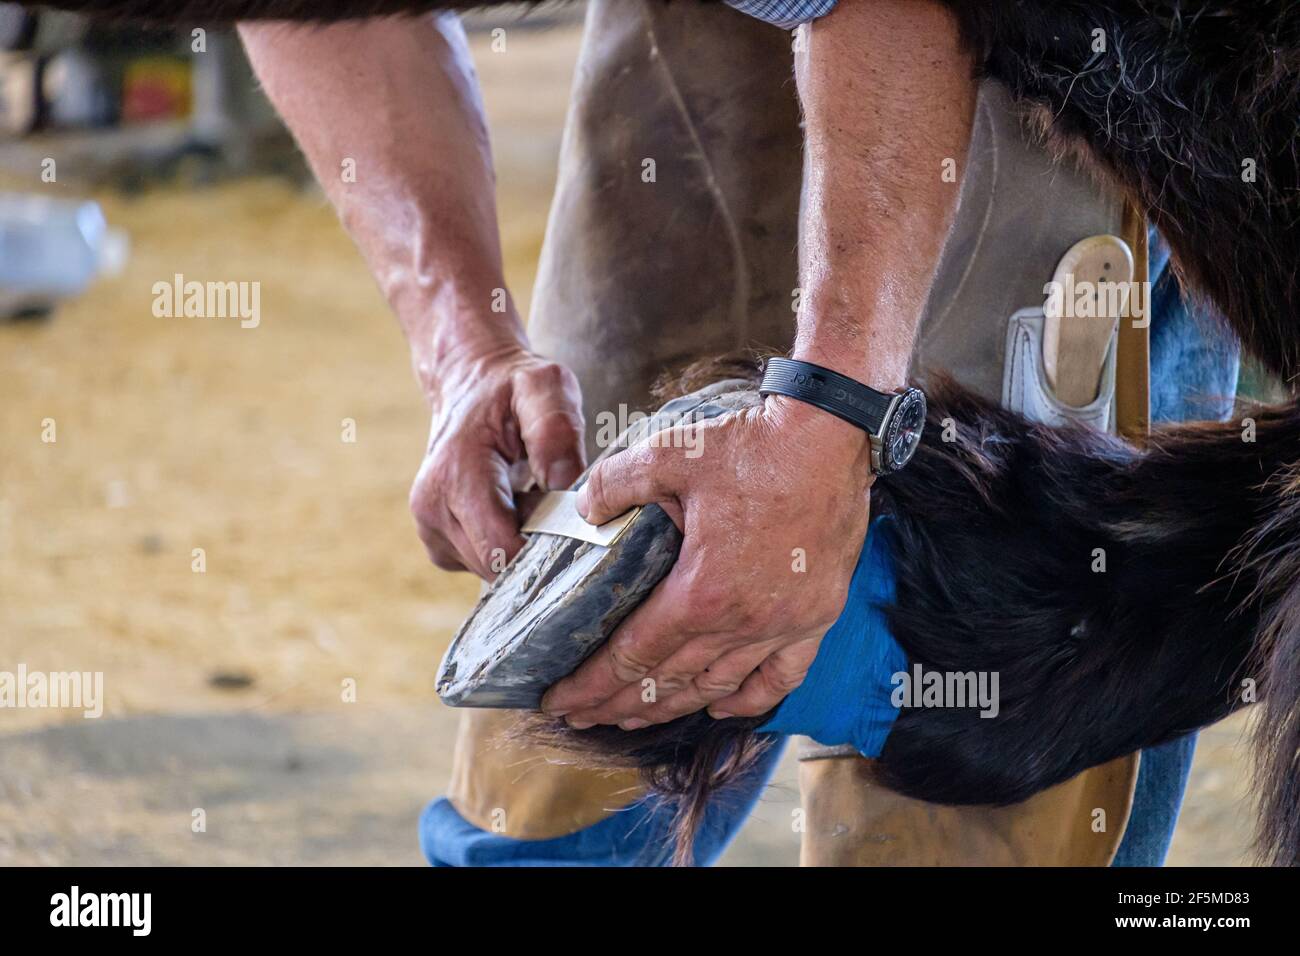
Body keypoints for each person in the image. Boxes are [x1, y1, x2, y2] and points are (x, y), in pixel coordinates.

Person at [240, 0, 1238, 865]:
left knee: (997, 672)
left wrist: (837, 407)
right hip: (695, 45)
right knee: (580, 623)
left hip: (1074, 59)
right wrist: (464, 345)